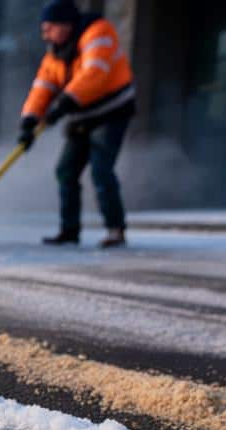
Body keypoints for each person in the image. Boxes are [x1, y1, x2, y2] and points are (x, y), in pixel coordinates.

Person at [19, 0, 136, 248]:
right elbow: (42, 88)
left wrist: (65, 103)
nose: (45, 34)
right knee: (66, 170)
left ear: (66, 25)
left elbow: (95, 72)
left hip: (111, 112)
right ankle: (69, 230)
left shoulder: (98, 34)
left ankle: (116, 230)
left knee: (101, 170)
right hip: (81, 116)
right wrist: (29, 121)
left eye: (49, 27)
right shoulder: (54, 55)